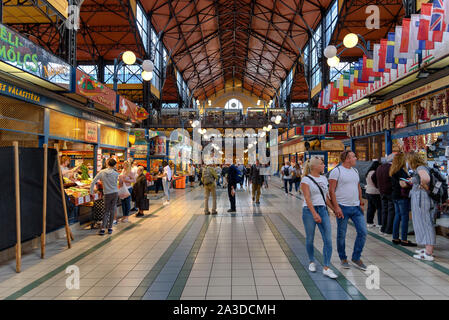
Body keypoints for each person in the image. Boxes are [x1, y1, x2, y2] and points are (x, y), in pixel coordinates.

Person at [329, 150, 367, 270]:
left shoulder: (355, 171)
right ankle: (343, 257)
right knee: (341, 234)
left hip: (356, 207)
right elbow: (331, 191)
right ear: (347, 159)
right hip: (342, 207)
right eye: (353, 156)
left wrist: (360, 202)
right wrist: (336, 207)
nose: (356, 158)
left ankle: (356, 257)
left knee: (363, 232)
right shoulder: (336, 171)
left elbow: (358, 188)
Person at [301, 157, 338, 279]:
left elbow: (326, 197)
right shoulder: (305, 180)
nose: (324, 166)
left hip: (323, 210)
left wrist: (334, 209)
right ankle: (311, 261)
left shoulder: (323, 178)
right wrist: (314, 213)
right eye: (322, 164)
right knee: (310, 238)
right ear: (315, 166)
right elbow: (307, 198)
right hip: (309, 211)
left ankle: (326, 267)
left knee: (328, 239)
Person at [407, 152, 436, 261]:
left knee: (426, 223)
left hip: (422, 200)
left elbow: (426, 179)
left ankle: (428, 253)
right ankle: (427, 248)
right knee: (423, 223)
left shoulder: (420, 168)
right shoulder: (420, 168)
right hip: (421, 199)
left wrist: (422, 186)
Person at [390, 153, 416, 247]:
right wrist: (410, 182)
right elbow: (404, 184)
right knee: (404, 217)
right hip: (402, 196)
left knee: (397, 216)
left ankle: (395, 237)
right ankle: (404, 240)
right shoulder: (401, 171)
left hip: (395, 196)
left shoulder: (393, 170)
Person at [90, 158, 120, 235]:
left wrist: (91, 192)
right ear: (114, 165)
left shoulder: (102, 172)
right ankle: (110, 228)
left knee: (106, 211)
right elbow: (117, 183)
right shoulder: (116, 174)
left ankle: (103, 228)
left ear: (107, 164)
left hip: (107, 193)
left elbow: (93, 182)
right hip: (115, 193)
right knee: (112, 209)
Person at [376, 153, 395, 235]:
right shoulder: (392, 168)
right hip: (390, 192)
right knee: (391, 211)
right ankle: (388, 230)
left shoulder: (380, 167)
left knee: (384, 210)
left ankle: (383, 228)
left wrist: (379, 186)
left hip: (382, 192)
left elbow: (374, 177)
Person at [365, 161, 382, 228]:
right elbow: (376, 183)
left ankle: (369, 223)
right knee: (379, 208)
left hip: (368, 192)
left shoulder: (368, 172)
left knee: (370, 208)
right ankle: (380, 223)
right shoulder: (375, 173)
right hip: (375, 192)